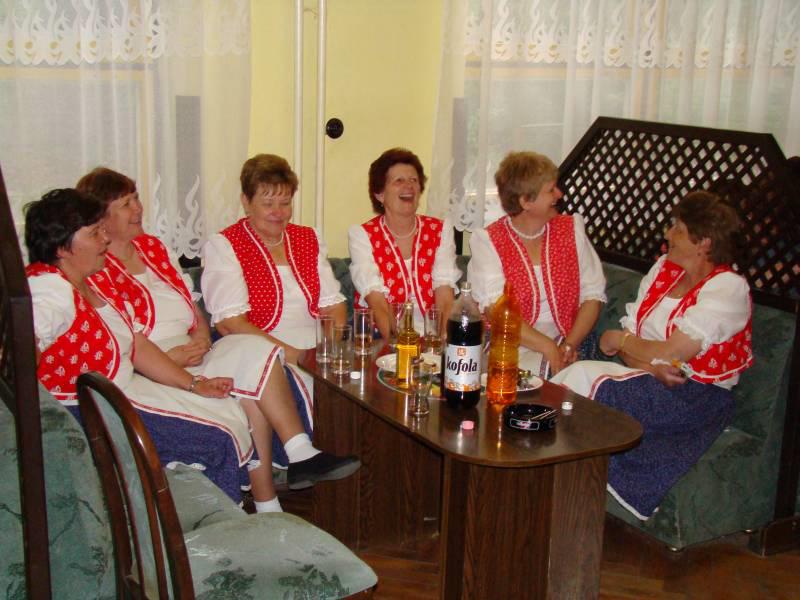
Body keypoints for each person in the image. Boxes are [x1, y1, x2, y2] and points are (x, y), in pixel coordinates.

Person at [75, 168, 359, 501]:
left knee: (254, 352)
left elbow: (191, 304)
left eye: (136, 198)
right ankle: (267, 502)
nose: (138, 208)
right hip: (152, 360)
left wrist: (201, 335)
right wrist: (170, 357)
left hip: (195, 347)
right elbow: (119, 341)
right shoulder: (94, 266)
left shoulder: (154, 249)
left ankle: (300, 453)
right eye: (126, 204)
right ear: (100, 217)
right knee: (249, 384)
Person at [25, 188, 264, 504]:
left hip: (127, 390)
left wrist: (195, 384)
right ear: (62, 248)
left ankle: (195, 513)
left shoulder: (94, 278)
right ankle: (199, 524)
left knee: (228, 411)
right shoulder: (48, 289)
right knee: (216, 438)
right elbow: (22, 347)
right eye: (94, 233)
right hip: (88, 412)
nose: (105, 239)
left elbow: (137, 344)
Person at [552, 191, 753, 520]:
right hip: (651, 379)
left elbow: (672, 350)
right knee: (569, 386)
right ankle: (555, 492)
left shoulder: (728, 288)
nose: (667, 234)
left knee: (582, 382)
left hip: (693, 397)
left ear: (703, 242)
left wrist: (621, 339)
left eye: (678, 229)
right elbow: (634, 347)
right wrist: (648, 363)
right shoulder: (663, 270)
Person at [201, 154, 347, 416]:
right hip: (263, 351)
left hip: (317, 347)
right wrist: (296, 356)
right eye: (268, 203)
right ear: (246, 202)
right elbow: (232, 324)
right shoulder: (226, 245)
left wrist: (327, 348)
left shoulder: (307, 238)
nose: (278, 213)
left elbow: (333, 306)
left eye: (285, 203)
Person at [468, 151, 606, 376]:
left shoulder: (572, 230)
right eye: (551, 190)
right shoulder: (488, 241)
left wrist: (569, 345)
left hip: (569, 340)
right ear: (526, 201)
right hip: (510, 342)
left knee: (580, 374)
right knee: (537, 376)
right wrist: (547, 347)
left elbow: (593, 295)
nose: (559, 194)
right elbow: (497, 311)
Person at [348, 148, 461, 339]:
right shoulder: (362, 236)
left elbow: (444, 297)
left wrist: (441, 344)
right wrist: (401, 347)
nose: (409, 186)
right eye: (399, 181)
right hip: (383, 337)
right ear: (380, 194)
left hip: (432, 337)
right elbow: (378, 304)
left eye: (414, 180)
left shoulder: (440, 230)